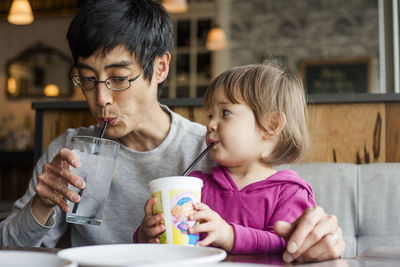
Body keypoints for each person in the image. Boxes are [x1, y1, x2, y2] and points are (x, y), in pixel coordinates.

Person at [0, 0, 344, 263]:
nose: (101, 98)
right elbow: (10, 249)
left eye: (119, 78)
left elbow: (280, 215)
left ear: (160, 67)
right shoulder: (69, 152)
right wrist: (41, 206)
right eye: (88, 80)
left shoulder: (214, 150)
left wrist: (316, 239)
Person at [137, 63, 316, 255]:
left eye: (226, 113)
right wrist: (147, 235)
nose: (211, 124)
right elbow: (177, 246)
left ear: (271, 125)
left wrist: (229, 235)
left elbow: (288, 245)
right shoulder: (197, 187)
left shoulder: (290, 192)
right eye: (210, 115)